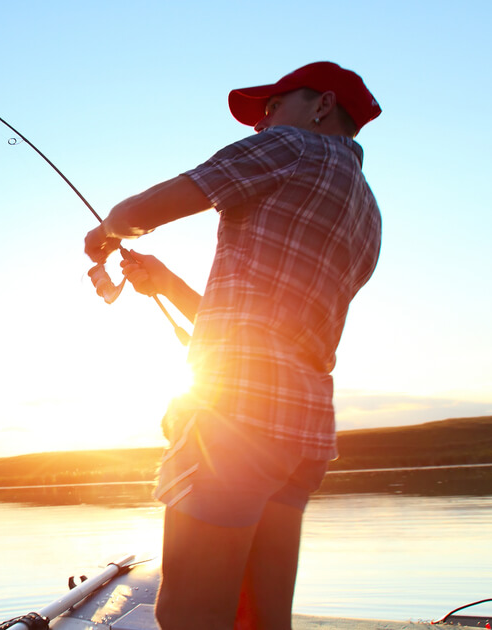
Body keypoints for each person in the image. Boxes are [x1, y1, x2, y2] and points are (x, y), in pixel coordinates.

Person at [83, 62, 383, 630]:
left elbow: (132, 216)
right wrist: (166, 283)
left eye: (272, 107)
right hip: (302, 432)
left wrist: (105, 234)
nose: (260, 125)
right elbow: (265, 328)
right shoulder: (368, 211)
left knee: (189, 615)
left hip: (236, 421)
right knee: (262, 620)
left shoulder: (290, 147)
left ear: (320, 106)